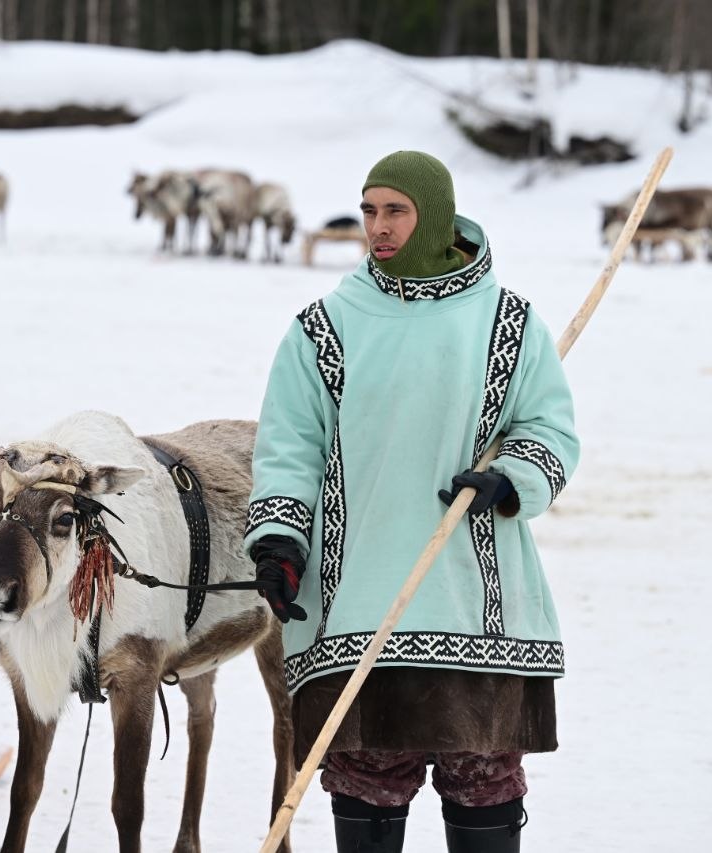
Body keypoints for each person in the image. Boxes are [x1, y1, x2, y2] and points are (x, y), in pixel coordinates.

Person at [245, 150, 579, 853]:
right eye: (369, 211)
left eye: (396, 210)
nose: (378, 227)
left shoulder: (509, 324)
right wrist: (279, 541)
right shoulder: (325, 328)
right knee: (365, 778)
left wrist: (510, 477)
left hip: (475, 603)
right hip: (357, 604)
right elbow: (289, 449)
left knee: (482, 779)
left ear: (435, 216)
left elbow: (550, 429)